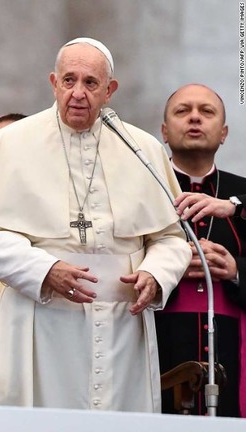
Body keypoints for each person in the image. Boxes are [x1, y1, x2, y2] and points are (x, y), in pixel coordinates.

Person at [0, 37, 190, 412]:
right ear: (54, 83)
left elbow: (170, 237)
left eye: (91, 83)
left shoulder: (143, 148)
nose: (78, 93)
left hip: (122, 325)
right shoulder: (12, 143)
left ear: (109, 91)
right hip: (42, 319)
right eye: (69, 81)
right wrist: (45, 269)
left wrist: (155, 273)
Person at [156, 84, 246, 417]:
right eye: (183, 111)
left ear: (223, 133)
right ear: (164, 132)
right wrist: (168, 264)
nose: (195, 117)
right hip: (157, 335)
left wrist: (236, 270)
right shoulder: (141, 189)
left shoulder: (241, 196)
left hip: (231, 342)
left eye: (206, 112)